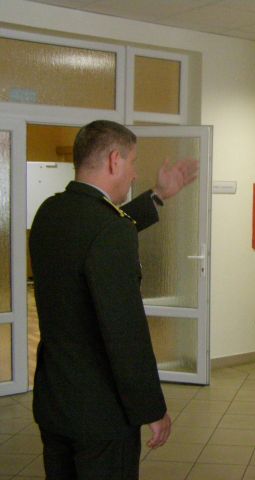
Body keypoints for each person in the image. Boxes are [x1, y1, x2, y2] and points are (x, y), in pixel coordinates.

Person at [29, 120, 198, 480]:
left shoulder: (50, 212)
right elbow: (124, 331)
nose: (134, 173)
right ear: (114, 160)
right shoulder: (109, 229)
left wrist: (158, 195)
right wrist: (151, 408)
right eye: (133, 162)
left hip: (54, 402)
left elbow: (98, 231)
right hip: (101, 414)